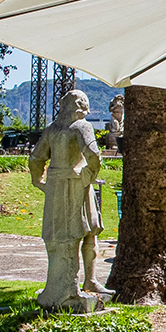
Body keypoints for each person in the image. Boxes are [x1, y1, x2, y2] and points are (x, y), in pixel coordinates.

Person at [28, 90, 104, 308]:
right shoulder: (82, 126)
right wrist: (89, 175)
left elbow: (36, 158)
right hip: (75, 183)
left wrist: (38, 180)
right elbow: (94, 156)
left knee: (75, 231)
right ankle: (74, 286)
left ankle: (88, 281)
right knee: (78, 231)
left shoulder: (52, 129)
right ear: (81, 106)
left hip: (55, 184)